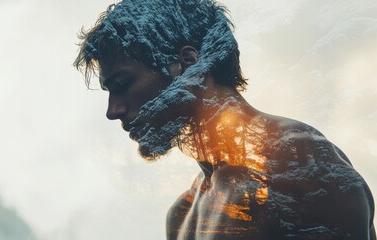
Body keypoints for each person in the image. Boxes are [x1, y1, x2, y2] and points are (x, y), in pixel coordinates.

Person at [74, 0, 376, 239]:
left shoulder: (299, 161)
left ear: (188, 63)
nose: (112, 111)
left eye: (124, 83)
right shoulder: (182, 213)